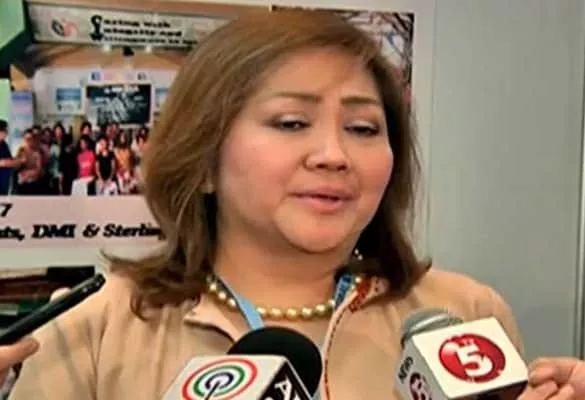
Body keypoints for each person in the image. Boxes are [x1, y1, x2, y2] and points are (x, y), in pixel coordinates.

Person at [6, 10, 585, 400]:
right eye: (291, 122)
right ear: (203, 160)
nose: (334, 155)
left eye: (363, 128)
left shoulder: (465, 314)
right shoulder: (93, 328)